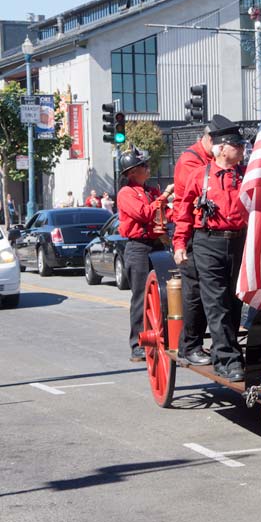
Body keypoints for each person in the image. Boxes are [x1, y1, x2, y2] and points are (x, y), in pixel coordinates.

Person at [172, 119, 249, 381]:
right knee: (216, 304)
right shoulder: (199, 175)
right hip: (208, 243)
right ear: (220, 148)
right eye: (236, 145)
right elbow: (182, 213)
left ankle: (226, 352)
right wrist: (180, 243)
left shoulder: (246, 174)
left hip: (239, 241)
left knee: (235, 300)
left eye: (241, 144)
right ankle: (227, 360)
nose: (241, 149)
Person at [116, 149, 173, 362]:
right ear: (132, 172)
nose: (148, 169)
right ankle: (138, 344)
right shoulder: (126, 193)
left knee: (163, 294)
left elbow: (164, 214)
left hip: (156, 245)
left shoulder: (151, 191)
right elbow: (144, 213)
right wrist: (165, 197)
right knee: (140, 296)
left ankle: (163, 334)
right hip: (138, 247)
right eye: (144, 166)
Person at [170, 123, 215, 366]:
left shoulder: (207, 159)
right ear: (208, 140)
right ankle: (190, 345)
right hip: (191, 233)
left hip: (209, 232)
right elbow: (204, 193)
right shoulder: (191, 162)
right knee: (195, 290)